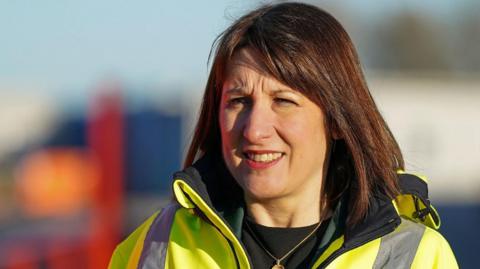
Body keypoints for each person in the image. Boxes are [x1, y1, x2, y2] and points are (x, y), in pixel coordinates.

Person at [109, 2, 458, 268]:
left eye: (284, 101)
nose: (255, 128)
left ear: (337, 119)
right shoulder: (158, 245)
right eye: (239, 101)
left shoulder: (417, 257)